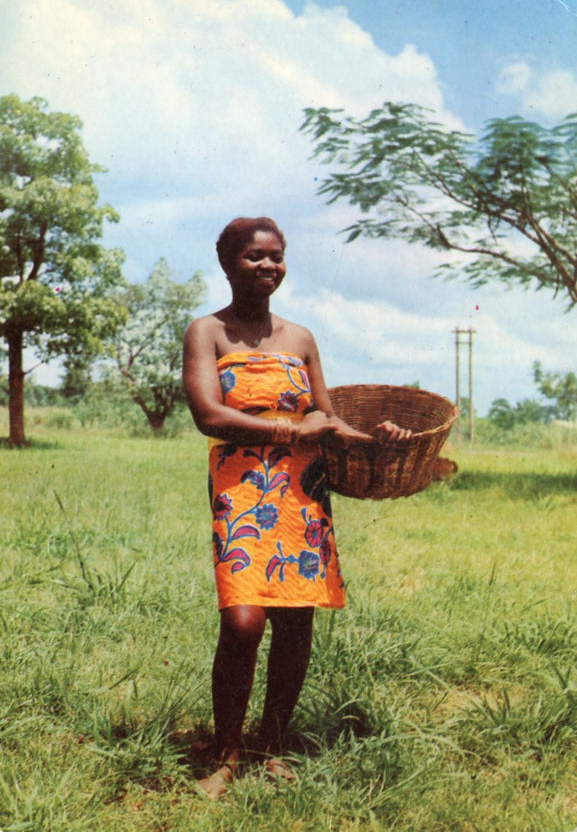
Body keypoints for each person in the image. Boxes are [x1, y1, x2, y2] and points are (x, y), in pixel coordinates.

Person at [182, 216, 410, 799]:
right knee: (243, 621)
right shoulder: (206, 332)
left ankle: (272, 747)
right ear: (229, 262)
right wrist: (289, 431)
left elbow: (324, 418)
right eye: (255, 256)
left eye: (276, 256)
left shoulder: (301, 338)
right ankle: (226, 754)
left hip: (301, 493)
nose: (268, 267)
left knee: (294, 622)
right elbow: (208, 415)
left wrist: (371, 435)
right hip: (240, 488)